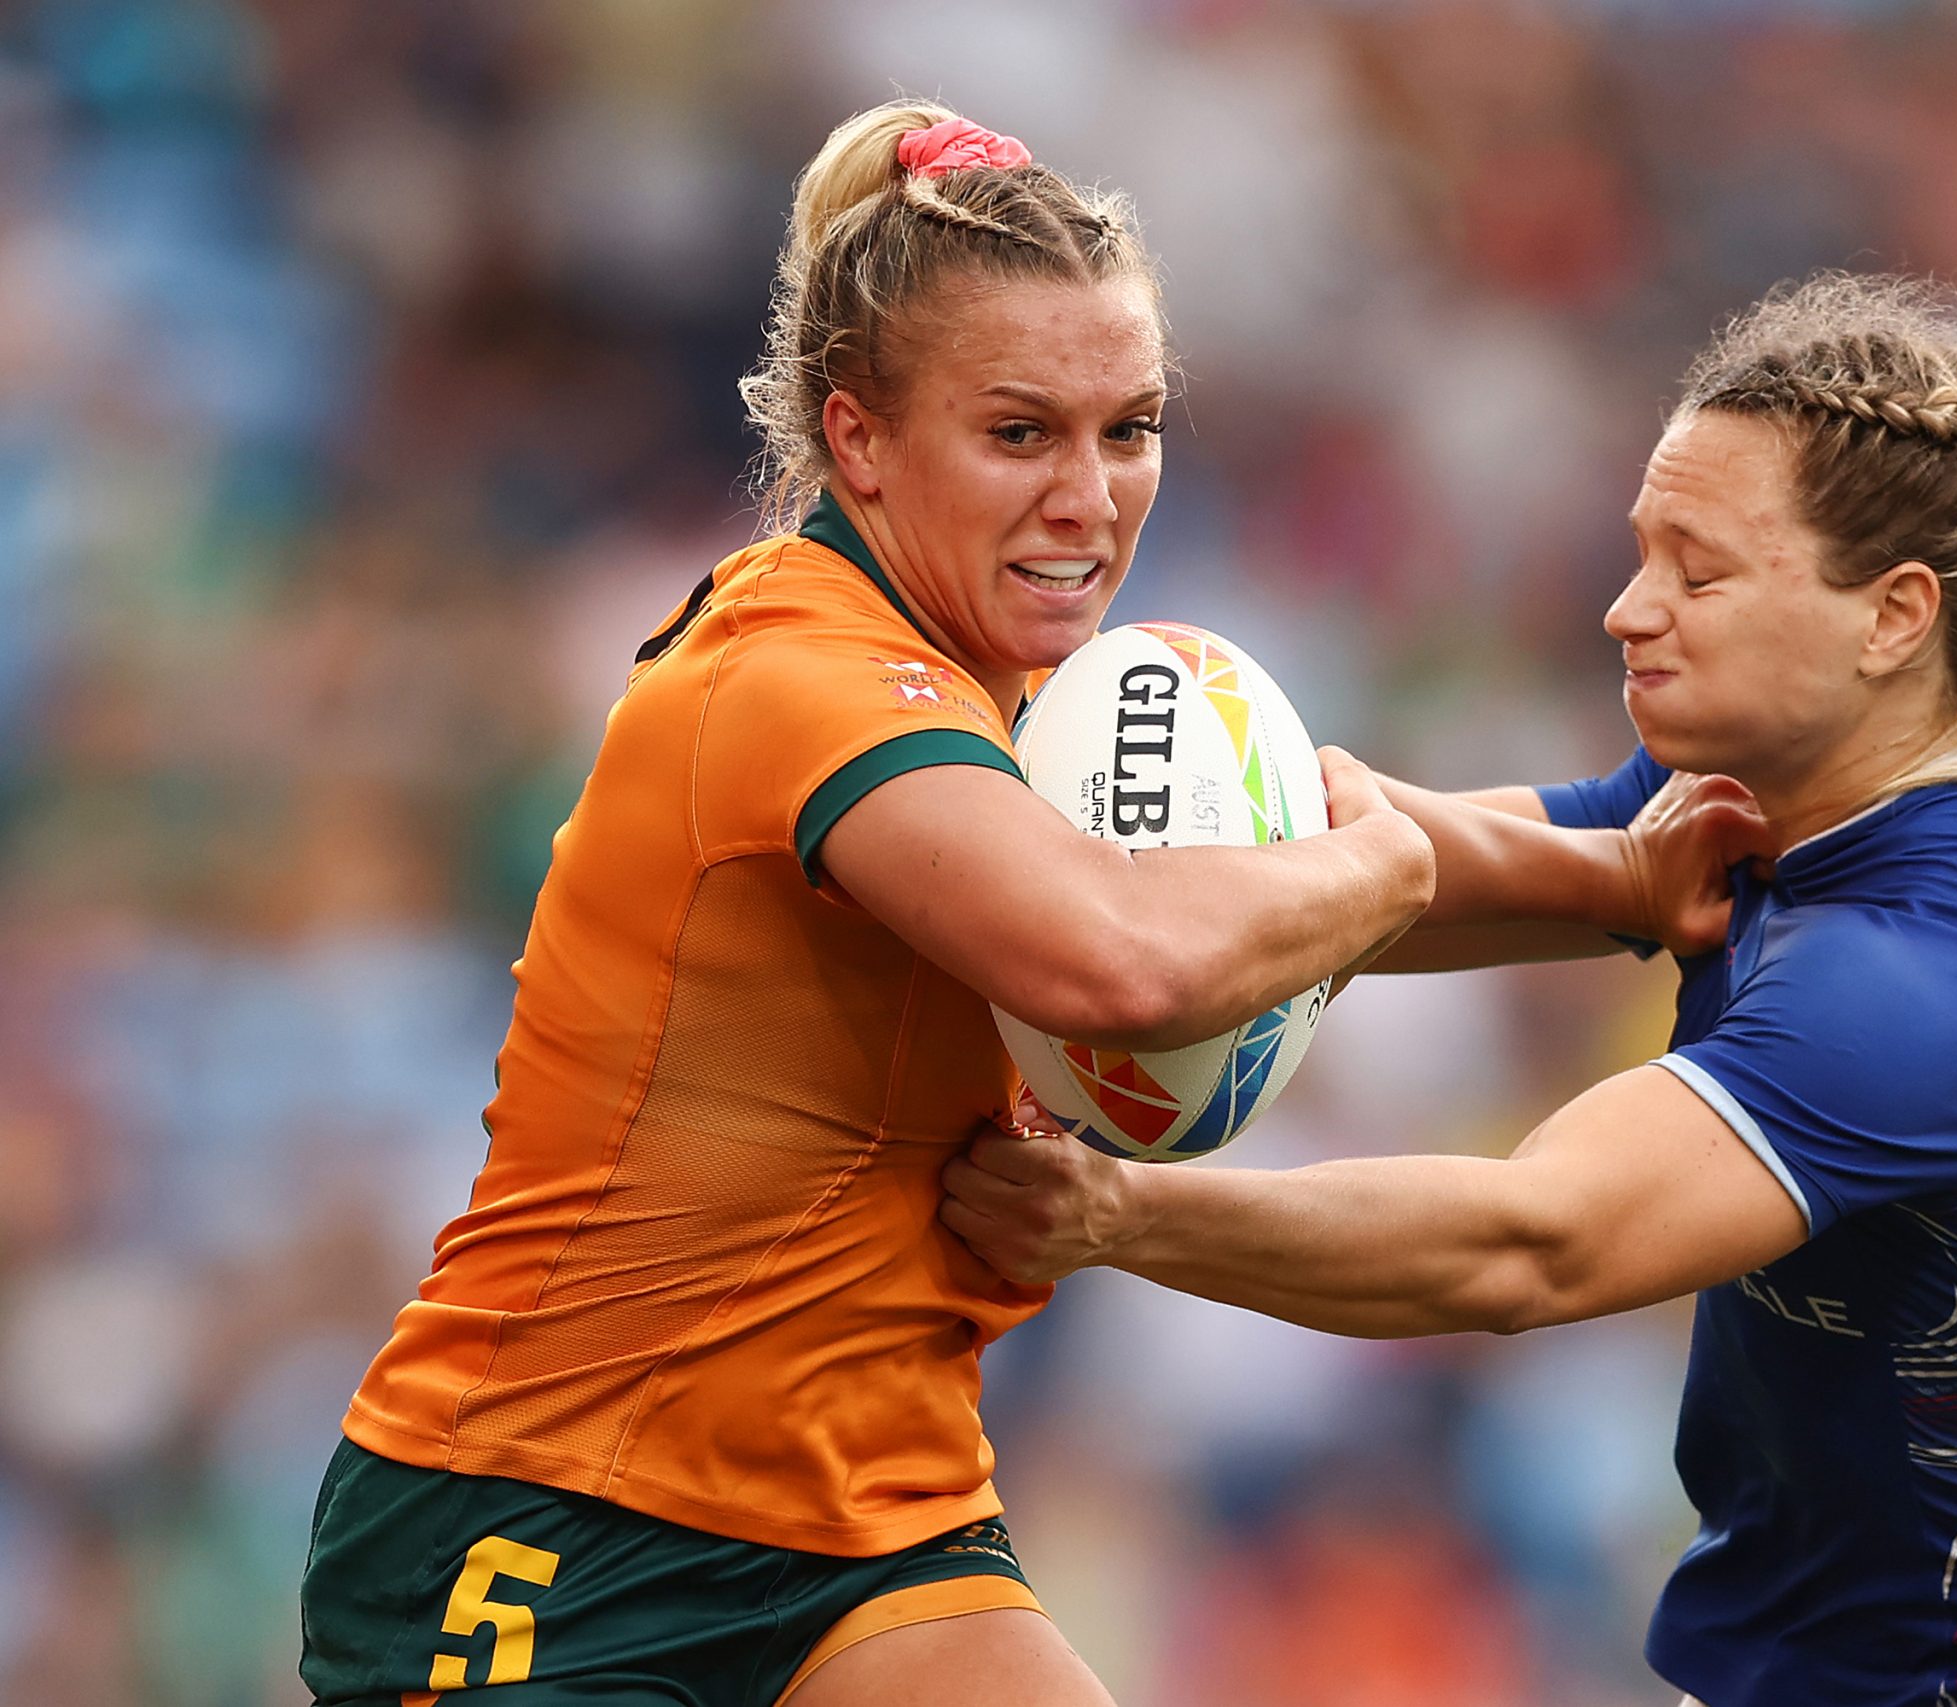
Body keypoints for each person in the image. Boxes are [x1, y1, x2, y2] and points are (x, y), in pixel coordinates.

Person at [296, 98, 1729, 1707]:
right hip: (548, 1521)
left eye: (1131, 427)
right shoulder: (799, 673)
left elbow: (1251, 894)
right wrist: (1385, 859)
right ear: (858, 441)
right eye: (1022, 432)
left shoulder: (1006, 683)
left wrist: (1635, 884)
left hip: (871, 1519)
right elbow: (1124, 956)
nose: (1094, 494)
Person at [945, 274, 1957, 1707]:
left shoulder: (1934, 974)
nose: (1629, 609)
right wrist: (1252, 826)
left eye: (1698, 575)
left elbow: (1533, 1244)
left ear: (1891, 618)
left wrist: (1113, 1215)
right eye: (1644, 554)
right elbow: (1461, 868)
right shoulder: (1812, 777)